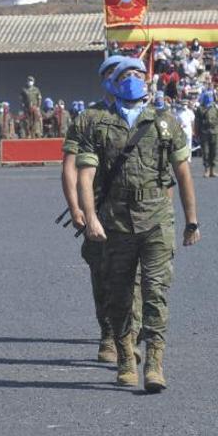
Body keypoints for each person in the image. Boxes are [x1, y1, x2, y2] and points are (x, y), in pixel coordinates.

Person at [77, 57, 201, 392]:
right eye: (125, 75)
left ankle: (156, 362)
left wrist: (192, 220)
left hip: (157, 218)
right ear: (114, 84)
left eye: (137, 73)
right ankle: (126, 358)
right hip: (115, 221)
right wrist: (90, 218)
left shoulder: (164, 121)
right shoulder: (98, 124)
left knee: (155, 292)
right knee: (119, 294)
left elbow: (183, 173)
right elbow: (85, 176)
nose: (132, 78)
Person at [61, 54, 139, 363]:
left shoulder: (141, 114)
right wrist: (76, 207)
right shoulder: (87, 118)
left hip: (137, 210)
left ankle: (129, 335)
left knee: (136, 277)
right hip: (99, 209)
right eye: (116, 74)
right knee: (103, 274)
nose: (122, 79)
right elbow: (69, 167)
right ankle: (109, 333)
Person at [195, 91, 218, 177]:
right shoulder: (200, 109)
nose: (209, 98)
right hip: (204, 132)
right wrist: (196, 132)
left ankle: (213, 170)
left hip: (215, 132)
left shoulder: (215, 107)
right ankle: (207, 170)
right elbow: (196, 121)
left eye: (210, 96)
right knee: (206, 152)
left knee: (214, 152)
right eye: (207, 96)